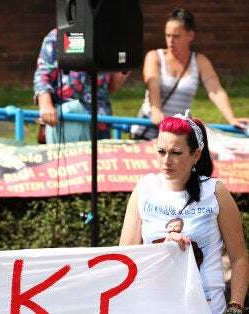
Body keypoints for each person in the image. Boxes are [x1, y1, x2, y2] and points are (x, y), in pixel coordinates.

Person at [119, 110, 248, 314]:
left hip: (207, 306)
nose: (166, 161)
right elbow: (125, 258)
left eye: (176, 153)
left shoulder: (215, 191)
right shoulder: (144, 189)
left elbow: (239, 258)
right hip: (154, 305)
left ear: (195, 155)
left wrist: (236, 307)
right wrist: (162, 250)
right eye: (161, 152)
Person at [131, 8, 249, 140]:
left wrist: (231, 118)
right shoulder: (155, 56)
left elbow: (216, 91)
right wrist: (156, 110)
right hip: (150, 125)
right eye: (167, 35)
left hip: (178, 132)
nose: (170, 41)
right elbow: (152, 84)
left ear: (190, 36)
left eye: (176, 36)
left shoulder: (200, 61)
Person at [33, 28, 130, 144]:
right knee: (68, 161)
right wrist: (46, 105)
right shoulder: (58, 35)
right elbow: (43, 74)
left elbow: (110, 86)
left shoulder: (108, 37)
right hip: (66, 116)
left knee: (99, 161)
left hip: (99, 122)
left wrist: (128, 58)